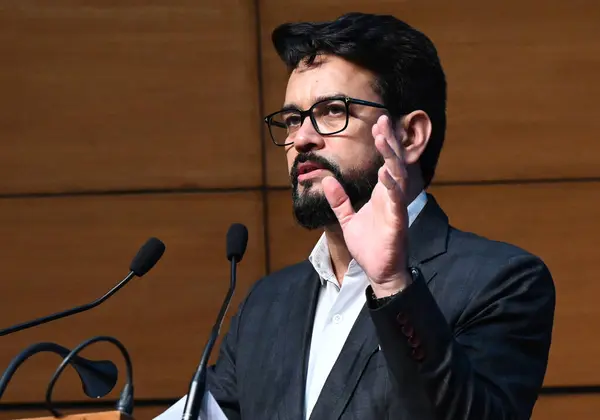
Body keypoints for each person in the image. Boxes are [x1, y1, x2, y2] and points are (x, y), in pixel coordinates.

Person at [160, 12, 556, 420]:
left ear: (409, 135)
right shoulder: (267, 303)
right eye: (293, 119)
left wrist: (392, 284)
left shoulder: (502, 282)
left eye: (332, 111)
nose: (301, 139)